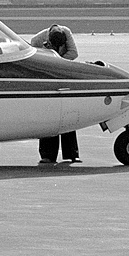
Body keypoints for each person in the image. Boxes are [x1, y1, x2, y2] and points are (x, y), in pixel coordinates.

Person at [30, 24, 80, 163]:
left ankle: (72, 154)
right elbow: (35, 57)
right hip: (45, 76)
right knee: (49, 114)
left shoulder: (67, 32)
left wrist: (56, 61)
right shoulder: (37, 40)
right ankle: (47, 155)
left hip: (61, 72)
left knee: (68, 114)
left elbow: (74, 53)